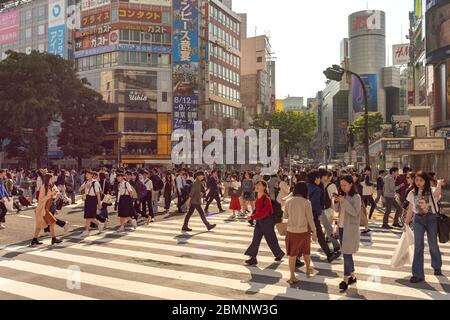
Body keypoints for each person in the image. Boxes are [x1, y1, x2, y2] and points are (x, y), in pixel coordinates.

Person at [405, 172, 444, 283]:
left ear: (426, 181)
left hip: (431, 219)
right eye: (416, 180)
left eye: (421, 180)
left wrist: (439, 184)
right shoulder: (412, 193)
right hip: (418, 220)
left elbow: (437, 194)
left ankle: (437, 266)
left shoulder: (431, 190)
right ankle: (418, 274)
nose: (418, 183)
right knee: (418, 246)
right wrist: (407, 222)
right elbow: (410, 209)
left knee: (432, 244)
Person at [283, 182, 317, 285]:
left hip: (291, 231)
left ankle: (292, 276)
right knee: (306, 251)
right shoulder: (306, 202)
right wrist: (314, 231)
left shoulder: (288, 201)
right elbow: (310, 219)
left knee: (292, 255)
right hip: (304, 231)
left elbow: (285, 216)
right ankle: (308, 268)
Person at [244, 181, 285, 266]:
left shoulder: (266, 198)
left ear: (264, 188)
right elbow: (258, 210)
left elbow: (265, 212)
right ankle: (253, 257)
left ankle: (279, 253)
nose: (257, 186)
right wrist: (253, 216)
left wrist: (252, 217)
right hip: (259, 222)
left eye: (259, 185)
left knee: (271, 239)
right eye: (257, 185)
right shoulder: (258, 196)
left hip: (267, 222)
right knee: (256, 239)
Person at [334, 175, 361, 292]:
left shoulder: (356, 197)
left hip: (350, 230)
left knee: (346, 254)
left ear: (351, 184)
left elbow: (355, 212)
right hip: (341, 228)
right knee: (348, 254)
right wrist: (336, 201)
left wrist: (344, 201)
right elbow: (336, 210)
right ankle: (353, 276)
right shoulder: (343, 196)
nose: (343, 187)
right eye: (341, 185)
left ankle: (345, 279)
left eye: (345, 185)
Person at [307, 170, 340, 263]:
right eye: (319, 178)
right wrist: (318, 214)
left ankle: (297, 256)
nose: (320, 179)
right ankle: (330, 254)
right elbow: (316, 203)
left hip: (306, 215)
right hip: (314, 215)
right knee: (321, 234)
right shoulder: (317, 189)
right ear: (316, 178)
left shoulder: (308, 186)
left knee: (308, 235)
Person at [31, 173, 62, 246]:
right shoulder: (43, 187)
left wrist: (53, 194)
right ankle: (53, 239)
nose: (53, 179)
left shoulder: (50, 186)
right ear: (48, 179)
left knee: (39, 225)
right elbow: (41, 199)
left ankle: (34, 239)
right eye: (51, 178)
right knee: (52, 222)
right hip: (43, 209)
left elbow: (52, 195)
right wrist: (51, 194)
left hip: (46, 208)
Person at [320, 170, 342, 250]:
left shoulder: (321, 184)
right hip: (330, 206)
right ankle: (328, 237)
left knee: (327, 223)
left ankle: (326, 236)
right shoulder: (332, 185)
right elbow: (335, 196)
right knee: (329, 223)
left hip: (322, 207)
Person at [79, 170, 104, 237]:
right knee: (88, 216)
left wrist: (99, 203)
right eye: (86, 174)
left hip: (93, 199)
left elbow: (98, 194)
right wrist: (85, 186)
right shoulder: (86, 182)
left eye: (88, 174)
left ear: (92, 175)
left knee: (89, 216)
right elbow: (80, 189)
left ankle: (87, 230)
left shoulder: (95, 183)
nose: (86, 175)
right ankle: (99, 224)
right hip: (87, 199)